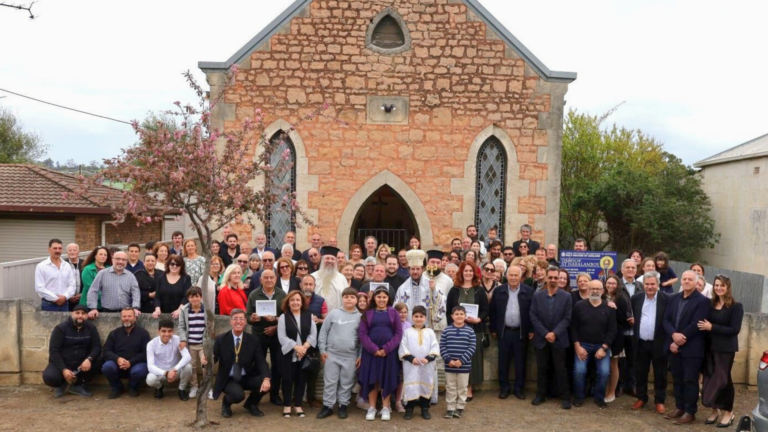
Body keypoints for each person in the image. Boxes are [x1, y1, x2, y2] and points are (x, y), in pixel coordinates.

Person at [663, 270, 712, 425]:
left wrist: (678, 340)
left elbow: (697, 324)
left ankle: (690, 412)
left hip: (692, 347)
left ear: (696, 282)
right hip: (674, 346)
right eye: (684, 279)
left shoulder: (703, 301)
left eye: (690, 279)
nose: (686, 281)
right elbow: (666, 320)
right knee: (677, 379)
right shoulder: (673, 298)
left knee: (690, 380)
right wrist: (673, 335)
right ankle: (679, 407)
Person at [699, 274, 744, 428]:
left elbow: (734, 329)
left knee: (723, 380)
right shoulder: (711, 304)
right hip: (709, 346)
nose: (719, 288)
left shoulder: (736, 307)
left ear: (728, 287)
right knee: (710, 378)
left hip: (725, 349)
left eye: (722, 285)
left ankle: (728, 412)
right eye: (716, 285)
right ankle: (714, 410)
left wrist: (713, 327)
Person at [212, 309, 272, 418]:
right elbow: (214, 357)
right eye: (235, 319)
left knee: (266, 381)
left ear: (245, 322)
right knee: (238, 395)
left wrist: (266, 378)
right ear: (230, 321)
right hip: (229, 378)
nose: (238, 322)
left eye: (241, 319)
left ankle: (251, 404)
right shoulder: (221, 339)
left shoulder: (253, 340)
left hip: (246, 376)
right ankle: (226, 404)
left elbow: (261, 361)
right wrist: (207, 359)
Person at [358, 285, 404, 421]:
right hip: (371, 352)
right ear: (374, 298)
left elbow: (398, 334)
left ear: (388, 298)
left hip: (388, 353)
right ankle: (372, 408)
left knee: (387, 378)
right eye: (379, 297)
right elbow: (362, 334)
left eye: (384, 297)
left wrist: (386, 349)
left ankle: (385, 407)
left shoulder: (393, 313)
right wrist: (374, 349)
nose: (382, 299)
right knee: (373, 379)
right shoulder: (367, 313)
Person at [530, 266, 572, 409]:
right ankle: (540, 395)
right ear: (546, 278)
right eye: (551, 277)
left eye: (556, 277)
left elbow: (567, 318)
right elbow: (533, 317)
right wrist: (545, 333)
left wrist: (554, 333)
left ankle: (565, 397)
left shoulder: (566, 296)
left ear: (560, 278)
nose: (553, 280)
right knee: (541, 368)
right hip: (541, 339)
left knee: (561, 369)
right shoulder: (537, 295)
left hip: (559, 338)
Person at [317, 287, 362, 420]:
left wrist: (360, 355)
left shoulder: (360, 317)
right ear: (342, 298)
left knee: (346, 382)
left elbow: (362, 339)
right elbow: (323, 332)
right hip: (332, 354)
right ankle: (328, 406)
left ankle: (343, 405)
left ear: (356, 300)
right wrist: (322, 350)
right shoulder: (333, 313)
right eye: (346, 296)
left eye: (352, 297)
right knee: (330, 381)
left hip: (350, 356)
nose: (349, 299)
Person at [571, 280, 616, 409]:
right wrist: (577, 346)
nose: (595, 291)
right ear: (588, 290)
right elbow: (573, 328)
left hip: (601, 346)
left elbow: (612, 330)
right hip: (582, 345)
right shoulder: (579, 306)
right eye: (592, 288)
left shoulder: (609, 307)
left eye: (598, 288)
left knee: (604, 372)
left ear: (603, 291)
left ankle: (599, 397)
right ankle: (579, 397)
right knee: (579, 371)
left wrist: (604, 348)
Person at [489, 265, 533, 400]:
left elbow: (533, 312)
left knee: (521, 362)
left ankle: (519, 389)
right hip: (504, 331)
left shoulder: (529, 291)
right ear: (506, 276)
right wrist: (493, 329)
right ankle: (504, 388)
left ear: (521, 277)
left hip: (521, 332)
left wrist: (531, 329)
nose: (513, 278)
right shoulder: (498, 291)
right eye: (511, 275)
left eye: (516, 275)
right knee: (503, 361)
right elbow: (493, 311)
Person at [446, 262, 488, 400]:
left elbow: (485, 310)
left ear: (474, 273)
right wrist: (454, 325)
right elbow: (448, 311)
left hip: (474, 329)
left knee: (472, 359)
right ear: (461, 273)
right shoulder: (454, 290)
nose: (468, 273)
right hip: (457, 330)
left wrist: (479, 319)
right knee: (457, 355)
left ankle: (469, 388)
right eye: (465, 271)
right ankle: (458, 388)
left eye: (471, 271)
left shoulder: (479, 290)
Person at [630, 271, 669, 414]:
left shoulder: (666, 299)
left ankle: (659, 401)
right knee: (640, 372)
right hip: (641, 343)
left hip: (659, 342)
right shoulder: (636, 298)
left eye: (653, 284)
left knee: (660, 373)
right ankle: (641, 398)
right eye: (647, 284)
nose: (650, 287)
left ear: (658, 285)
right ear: (643, 285)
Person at [246, 269, 286, 406]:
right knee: (258, 365)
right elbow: (247, 316)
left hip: (277, 335)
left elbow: (287, 317)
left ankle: (274, 395)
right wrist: (253, 318)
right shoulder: (253, 294)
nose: (269, 280)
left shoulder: (282, 294)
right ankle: (256, 396)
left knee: (278, 365)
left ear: (276, 279)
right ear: (261, 280)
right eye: (266, 278)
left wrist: (275, 326)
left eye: (271, 277)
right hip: (258, 335)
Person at [42, 304, 101, 397]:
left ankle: (78, 385)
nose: (80, 316)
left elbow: (97, 346)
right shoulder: (60, 328)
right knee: (50, 377)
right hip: (64, 362)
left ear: (86, 315)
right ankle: (61, 384)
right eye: (77, 313)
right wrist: (64, 369)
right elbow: (54, 351)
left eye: (83, 313)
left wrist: (89, 359)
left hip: (82, 363)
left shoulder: (91, 328)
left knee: (100, 359)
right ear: (72, 314)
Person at [277, 290, 318, 418]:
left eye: (298, 300)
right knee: (287, 380)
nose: (295, 302)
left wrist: (304, 347)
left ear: (302, 302)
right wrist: (296, 347)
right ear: (288, 303)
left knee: (302, 380)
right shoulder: (284, 317)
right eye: (292, 300)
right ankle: (287, 405)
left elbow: (313, 334)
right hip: (288, 354)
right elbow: (282, 337)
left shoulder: (309, 316)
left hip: (304, 354)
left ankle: (298, 405)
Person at [399, 305, 439, 420]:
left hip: (426, 365)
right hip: (411, 365)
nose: (419, 319)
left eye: (421, 316)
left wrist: (428, 358)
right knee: (412, 385)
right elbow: (403, 347)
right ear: (412, 317)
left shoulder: (430, 332)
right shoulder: (407, 332)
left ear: (425, 318)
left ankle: (425, 409)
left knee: (424, 384)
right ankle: (409, 409)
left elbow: (435, 347)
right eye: (416, 316)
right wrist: (411, 358)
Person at [101, 307, 151, 398]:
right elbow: (106, 350)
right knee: (107, 367)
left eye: (129, 316)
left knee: (139, 371)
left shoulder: (143, 334)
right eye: (124, 316)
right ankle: (117, 387)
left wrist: (130, 362)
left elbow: (146, 353)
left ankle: (133, 387)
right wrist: (118, 359)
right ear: (121, 318)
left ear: (135, 318)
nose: (127, 318)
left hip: (136, 364)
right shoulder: (114, 333)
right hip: (117, 364)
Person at [394, 249, 446, 330]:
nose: (415, 272)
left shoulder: (430, 284)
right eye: (412, 269)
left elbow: (442, 302)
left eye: (418, 269)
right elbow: (396, 308)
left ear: (423, 269)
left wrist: (434, 290)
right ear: (409, 270)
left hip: (426, 327)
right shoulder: (402, 288)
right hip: (408, 328)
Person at [440, 305, 477, 419]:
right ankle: (450, 408)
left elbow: (472, 347)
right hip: (449, 365)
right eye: (456, 314)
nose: (459, 316)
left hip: (464, 366)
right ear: (452, 316)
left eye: (461, 314)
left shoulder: (470, 331)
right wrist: (448, 360)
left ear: (465, 316)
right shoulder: (446, 330)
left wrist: (461, 360)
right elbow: (442, 346)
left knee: (462, 387)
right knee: (450, 387)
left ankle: (460, 407)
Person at [298, 275, 328, 409]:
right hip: (297, 341)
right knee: (295, 370)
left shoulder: (321, 301)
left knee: (313, 370)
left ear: (315, 286)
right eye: (306, 284)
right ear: (301, 285)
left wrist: (319, 320)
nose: (308, 287)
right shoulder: (294, 298)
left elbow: (327, 321)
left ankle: (310, 398)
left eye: (311, 284)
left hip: (314, 342)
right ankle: (296, 398)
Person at [146, 318, 193, 400]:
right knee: (150, 379)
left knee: (188, 367)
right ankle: (159, 387)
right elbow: (150, 366)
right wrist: (166, 373)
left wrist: (174, 369)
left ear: (173, 331)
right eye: (163, 331)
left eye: (169, 331)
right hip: (160, 373)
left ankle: (181, 389)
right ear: (158, 332)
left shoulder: (178, 339)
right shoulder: (151, 344)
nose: (167, 334)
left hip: (175, 372)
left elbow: (187, 356)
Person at [86, 251, 141, 317]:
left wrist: (135, 307)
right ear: (112, 260)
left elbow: (136, 293)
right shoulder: (102, 274)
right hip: (107, 313)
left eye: (123, 260)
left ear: (127, 262)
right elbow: (93, 290)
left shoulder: (131, 276)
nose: (120, 262)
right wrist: (93, 308)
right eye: (118, 259)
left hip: (126, 314)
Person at [603, 275, 632, 403]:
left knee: (613, 364)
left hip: (616, 336)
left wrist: (615, 309)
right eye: (608, 283)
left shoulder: (621, 299)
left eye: (613, 283)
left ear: (618, 285)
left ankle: (611, 392)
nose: (610, 285)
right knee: (602, 365)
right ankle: (603, 390)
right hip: (601, 335)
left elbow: (624, 321)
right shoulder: (601, 297)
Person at [176, 286, 207, 398]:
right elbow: (181, 326)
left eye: (197, 296)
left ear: (201, 297)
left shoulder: (206, 309)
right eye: (192, 297)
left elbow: (210, 326)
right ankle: (194, 387)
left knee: (206, 365)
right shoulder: (184, 310)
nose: (195, 299)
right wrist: (183, 339)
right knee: (192, 367)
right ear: (188, 298)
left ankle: (207, 387)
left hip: (203, 344)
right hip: (191, 344)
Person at [618, 259, 640, 397]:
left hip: (636, 330)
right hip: (621, 328)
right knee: (620, 360)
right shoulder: (617, 285)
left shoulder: (641, 286)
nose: (630, 270)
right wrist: (627, 319)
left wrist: (636, 319)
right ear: (622, 270)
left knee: (633, 360)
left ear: (636, 270)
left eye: (633, 268)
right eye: (628, 267)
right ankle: (619, 386)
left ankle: (631, 386)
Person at [35, 239, 76, 312]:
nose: (57, 251)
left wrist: (65, 297)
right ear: (49, 249)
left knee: (65, 324)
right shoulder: (41, 266)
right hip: (48, 305)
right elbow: (39, 288)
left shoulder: (67, 265)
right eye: (55, 248)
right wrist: (55, 298)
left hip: (65, 304)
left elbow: (72, 285)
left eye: (60, 248)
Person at [152, 255, 192, 319]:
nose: (174, 266)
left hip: (180, 315)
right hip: (163, 315)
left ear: (181, 266)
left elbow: (186, 297)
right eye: (172, 264)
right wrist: (157, 309)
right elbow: (157, 297)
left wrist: (179, 310)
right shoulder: (160, 278)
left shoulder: (186, 278)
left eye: (177, 264)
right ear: (168, 264)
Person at [311, 246, 346, 311]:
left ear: (335, 261)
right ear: (322, 260)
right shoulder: (313, 277)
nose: (330, 261)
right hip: (317, 316)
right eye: (327, 258)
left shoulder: (342, 278)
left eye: (332, 259)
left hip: (337, 317)